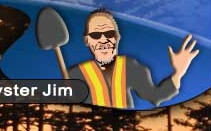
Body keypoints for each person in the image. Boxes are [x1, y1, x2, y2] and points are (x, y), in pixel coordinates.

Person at [68, 8, 200, 109]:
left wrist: (178, 73)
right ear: (87, 40)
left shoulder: (131, 67)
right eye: (96, 35)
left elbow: (155, 95)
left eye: (109, 33)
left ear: (117, 37)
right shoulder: (75, 74)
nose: (104, 40)